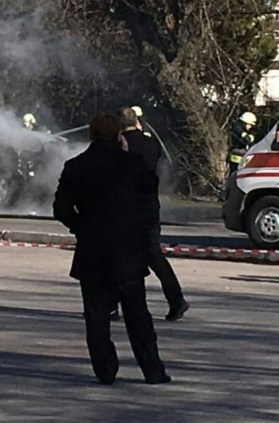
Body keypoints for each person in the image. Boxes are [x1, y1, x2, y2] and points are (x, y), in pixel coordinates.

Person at [53, 114, 170, 385]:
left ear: (92, 136)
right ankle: (153, 371)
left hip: (92, 253)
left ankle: (105, 370)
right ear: (119, 136)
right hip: (128, 252)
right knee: (138, 317)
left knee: (96, 318)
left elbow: (60, 209)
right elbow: (149, 189)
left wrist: (81, 227)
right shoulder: (132, 163)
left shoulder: (76, 166)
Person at [118, 107, 189, 321]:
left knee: (117, 257)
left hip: (126, 209)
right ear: (137, 121)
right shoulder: (150, 142)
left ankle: (112, 305)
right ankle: (176, 299)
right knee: (154, 256)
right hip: (149, 207)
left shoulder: (120, 145)